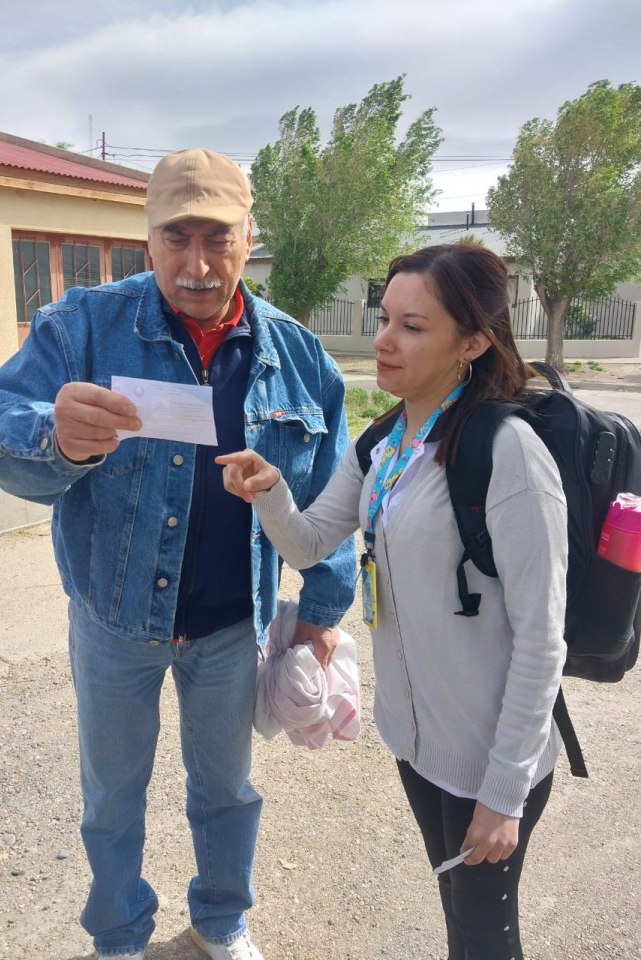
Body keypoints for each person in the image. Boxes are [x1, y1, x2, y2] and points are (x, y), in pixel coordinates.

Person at [0, 148, 357, 960]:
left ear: (250, 237)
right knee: (112, 797)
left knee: (225, 791)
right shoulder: (82, 327)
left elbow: (328, 499)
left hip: (226, 626)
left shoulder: (298, 357)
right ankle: (118, 937)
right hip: (113, 622)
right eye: (177, 239)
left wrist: (320, 611)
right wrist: (53, 438)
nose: (198, 263)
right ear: (149, 243)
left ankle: (220, 923)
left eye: (218, 238)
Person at [217, 243, 568, 960]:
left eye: (413, 326)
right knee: (458, 921)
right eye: (385, 319)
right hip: (416, 745)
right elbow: (311, 543)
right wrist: (271, 489)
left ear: (471, 343)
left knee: (482, 939)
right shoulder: (385, 440)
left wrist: (502, 793)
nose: (382, 340)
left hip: (491, 756)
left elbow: (542, 638)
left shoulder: (505, 451)